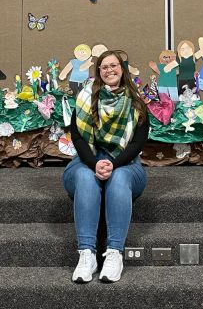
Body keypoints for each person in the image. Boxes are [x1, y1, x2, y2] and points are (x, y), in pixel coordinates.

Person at [62, 50, 148, 284]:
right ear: (98, 72)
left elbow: (139, 142)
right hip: (86, 160)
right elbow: (77, 138)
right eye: (104, 67)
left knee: (119, 178)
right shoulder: (86, 98)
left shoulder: (136, 102)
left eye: (114, 65)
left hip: (125, 162)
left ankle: (114, 254)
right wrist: (94, 163)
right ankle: (87, 255)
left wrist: (113, 163)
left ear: (122, 69)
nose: (109, 70)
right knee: (86, 177)